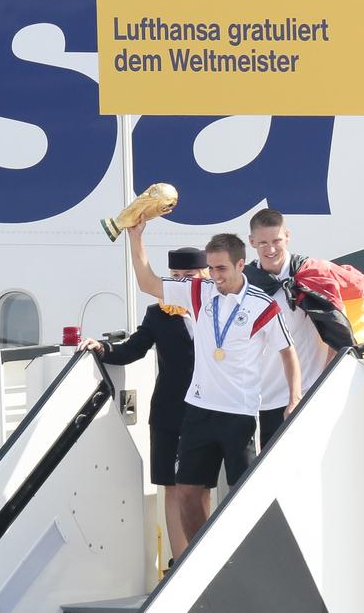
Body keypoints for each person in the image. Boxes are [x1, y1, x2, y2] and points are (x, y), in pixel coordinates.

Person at [126, 220, 302, 545]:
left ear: (240, 264)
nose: (215, 275)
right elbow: (147, 282)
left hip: (240, 413)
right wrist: (137, 237)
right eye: (210, 268)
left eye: (221, 268)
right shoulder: (199, 292)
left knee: (243, 493)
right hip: (199, 409)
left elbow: (287, 352)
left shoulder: (262, 305)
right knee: (188, 493)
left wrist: (294, 397)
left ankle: (244, 557)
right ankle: (198, 557)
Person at [78, 247, 207, 561]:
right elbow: (132, 349)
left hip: (205, 413)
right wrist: (103, 348)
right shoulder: (158, 314)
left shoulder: (216, 308)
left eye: (188, 277)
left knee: (200, 487)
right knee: (172, 487)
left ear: (204, 276)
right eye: (175, 277)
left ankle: (203, 555)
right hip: (169, 412)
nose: (180, 283)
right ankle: (179, 560)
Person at [244, 209, 331, 450]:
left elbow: (337, 333)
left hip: (303, 396)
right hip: (260, 401)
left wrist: (322, 383)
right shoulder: (244, 282)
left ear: (288, 236)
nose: (270, 249)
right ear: (252, 242)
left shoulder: (308, 273)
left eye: (276, 241)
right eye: (263, 243)